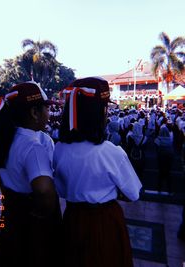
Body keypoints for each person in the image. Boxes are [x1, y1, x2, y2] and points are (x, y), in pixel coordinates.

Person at [53, 77, 142, 267]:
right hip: (105, 222)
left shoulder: (58, 149)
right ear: (100, 112)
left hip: (73, 220)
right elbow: (133, 194)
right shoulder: (112, 152)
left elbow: (61, 190)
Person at [0, 81, 62, 267]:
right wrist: (42, 214)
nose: (49, 113)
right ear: (34, 113)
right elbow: (44, 190)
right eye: (46, 108)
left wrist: (4, 185)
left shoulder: (5, 140)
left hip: (10, 215)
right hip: (31, 223)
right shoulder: (33, 146)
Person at [154, 126, 174, 194]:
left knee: (161, 173)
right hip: (169, 156)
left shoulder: (158, 139)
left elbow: (156, 148)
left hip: (161, 157)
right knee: (168, 173)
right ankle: (170, 189)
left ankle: (159, 189)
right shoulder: (170, 139)